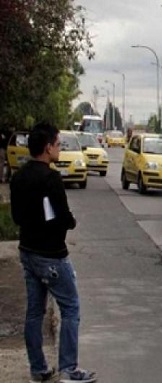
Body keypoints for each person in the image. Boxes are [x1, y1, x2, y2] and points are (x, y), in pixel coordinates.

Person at [10, 122, 97, 383]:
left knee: (35, 311)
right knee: (70, 308)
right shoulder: (50, 178)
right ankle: (69, 369)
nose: (59, 149)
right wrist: (69, 223)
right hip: (52, 255)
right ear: (48, 148)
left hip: (27, 251)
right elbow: (62, 214)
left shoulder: (19, 177)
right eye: (58, 144)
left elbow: (16, 217)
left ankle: (38, 369)